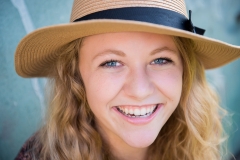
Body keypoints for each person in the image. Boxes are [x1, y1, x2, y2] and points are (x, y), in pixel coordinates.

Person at [14, 0, 240, 160]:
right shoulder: (39, 156)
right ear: (76, 76)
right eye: (111, 62)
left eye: (160, 60)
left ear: (185, 70)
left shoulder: (196, 142)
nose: (140, 90)